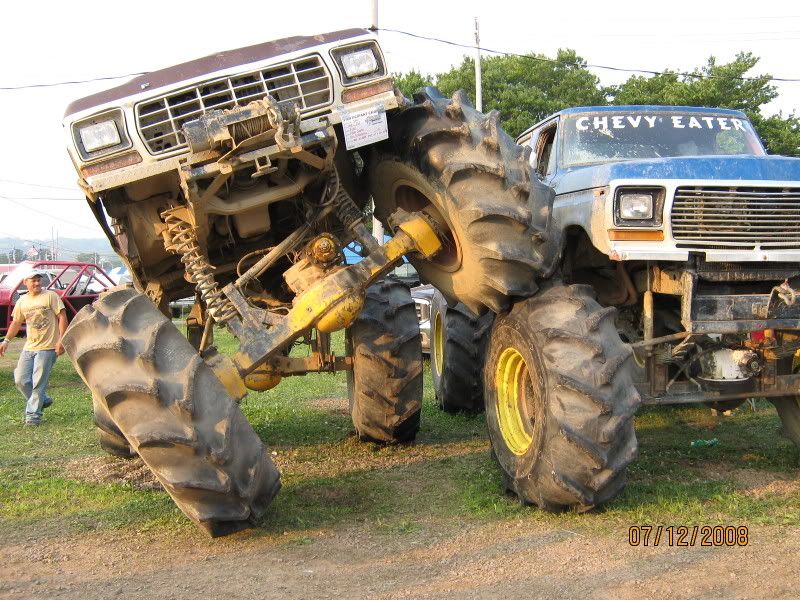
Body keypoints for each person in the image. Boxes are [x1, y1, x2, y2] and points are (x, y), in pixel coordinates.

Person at [0, 270, 67, 426]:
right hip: (29, 347)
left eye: (39, 280)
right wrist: (6, 341)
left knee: (38, 382)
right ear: (25, 282)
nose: (37, 283)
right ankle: (42, 400)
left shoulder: (51, 296)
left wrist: (62, 340)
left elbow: (62, 316)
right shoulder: (22, 302)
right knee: (21, 380)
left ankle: (33, 416)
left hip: (48, 347)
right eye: (33, 280)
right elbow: (16, 323)